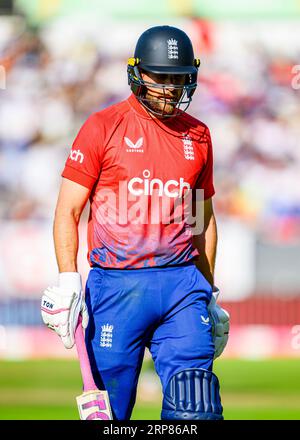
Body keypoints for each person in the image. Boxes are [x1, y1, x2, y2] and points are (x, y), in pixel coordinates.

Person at [41, 25, 229, 420]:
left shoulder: (199, 136)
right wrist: (67, 280)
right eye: (159, 76)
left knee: (196, 408)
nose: (169, 87)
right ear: (137, 73)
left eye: (177, 78)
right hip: (115, 288)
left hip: (182, 287)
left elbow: (204, 222)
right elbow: (68, 211)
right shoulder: (102, 126)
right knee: (112, 413)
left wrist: (209, 293)